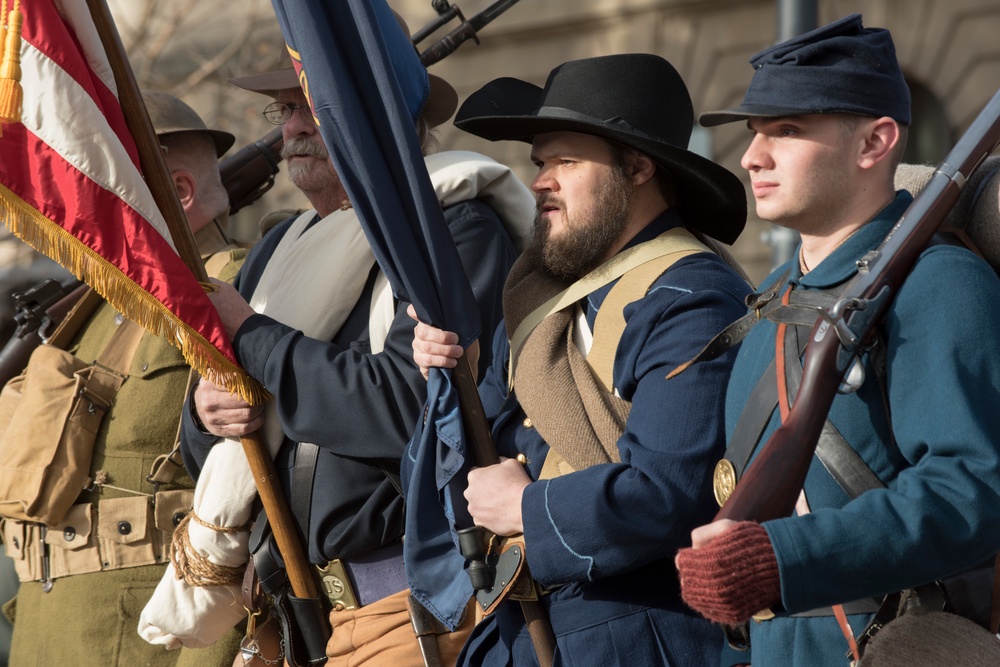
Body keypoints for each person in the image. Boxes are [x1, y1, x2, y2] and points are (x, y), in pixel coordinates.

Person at [171, 16, 533, 666]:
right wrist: (207, 411)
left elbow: (404, 406)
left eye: (311, 104)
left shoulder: (451, 230)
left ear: (373, 113)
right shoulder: (280, 249)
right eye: (284, 108)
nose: (293, 128)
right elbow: (209, 448)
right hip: (309, 610)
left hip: (418, 605)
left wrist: (252, 336)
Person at [674, 14, 1000, 666]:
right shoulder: (772, 300)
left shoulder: (939, 284)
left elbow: (970, 487)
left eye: (787, 131)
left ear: (876, 141)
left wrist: (784, 559)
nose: (751, 155)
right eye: (754, 130)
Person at [409, 53, 752, 666]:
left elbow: (667, 495)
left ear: (639, 166)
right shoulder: (541, 300)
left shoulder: (692, 297)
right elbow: (467, 461)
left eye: (566, 162)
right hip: (529, 631)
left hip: (640, 637)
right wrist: (446, 376)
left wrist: (527, 509)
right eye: (541, 163)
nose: (540, 180)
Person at [0, 91, 245, 667]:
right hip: (45, 630)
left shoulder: (232, 289)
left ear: (180, 193)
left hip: (146, 641)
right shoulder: (91, 308)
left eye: (99, 177)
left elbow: (248, 497)